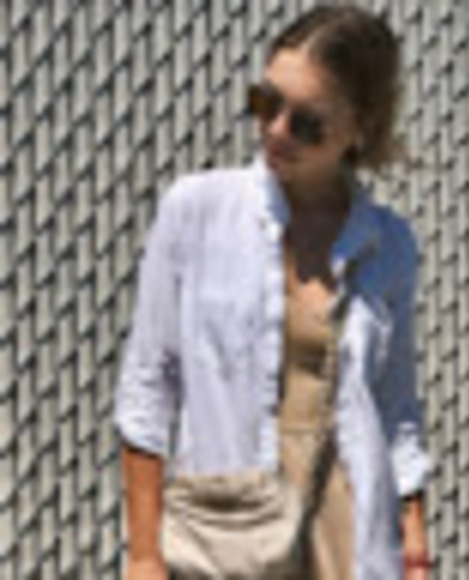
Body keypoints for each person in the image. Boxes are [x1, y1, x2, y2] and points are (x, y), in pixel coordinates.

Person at [114, 5, 431, 580]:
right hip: (230, 525)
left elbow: (395, 407)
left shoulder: (390, 244)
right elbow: (148, 385)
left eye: (307, 122)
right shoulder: (197, 212)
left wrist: (413, 545)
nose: (276, 130)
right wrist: (143, 555)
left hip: (347, 527)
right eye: (265, 102)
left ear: (359, 128)